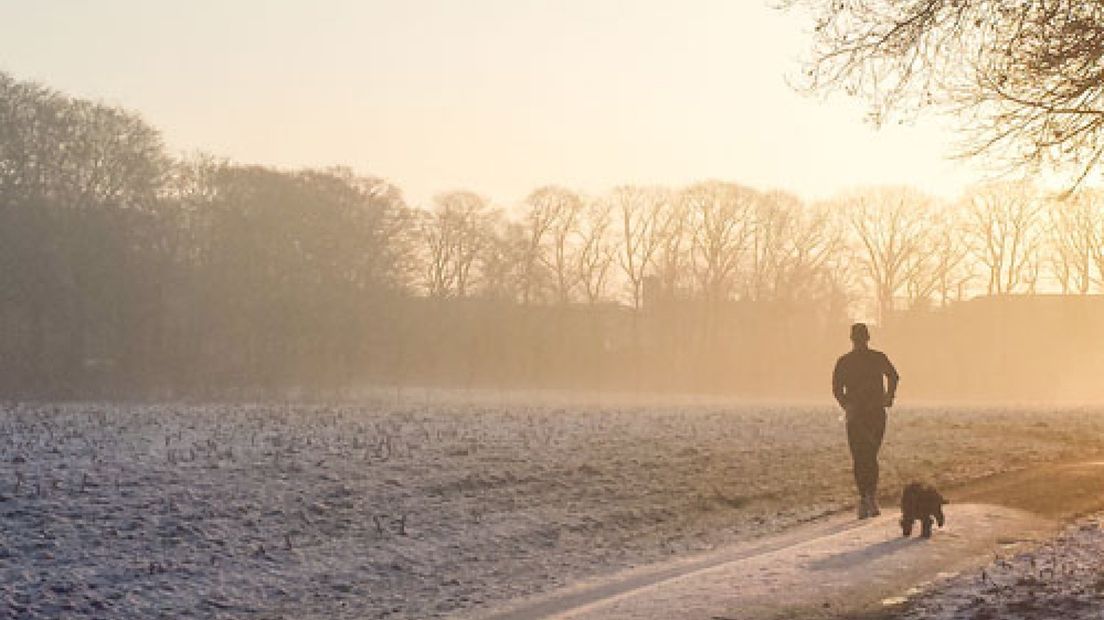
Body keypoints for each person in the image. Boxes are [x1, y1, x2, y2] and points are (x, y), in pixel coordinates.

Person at [832, 322, 899, 519]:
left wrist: (846, 404)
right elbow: (894, 376)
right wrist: (888, 397)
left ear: (852, 339)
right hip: (874, 413)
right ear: (867, 338)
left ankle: (865, 498)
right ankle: (868, 497)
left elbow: (836, 388)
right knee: (869, 456)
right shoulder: (877, 358)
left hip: (859, 415)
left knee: (863, 456)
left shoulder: (844, 361)